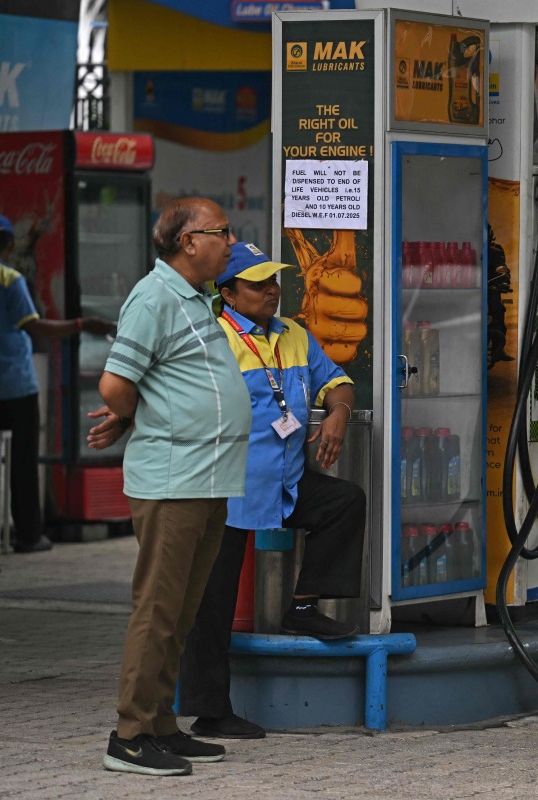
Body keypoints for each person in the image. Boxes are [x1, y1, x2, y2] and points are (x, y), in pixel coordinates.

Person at [175, 241, 365, 740]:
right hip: (227, 487)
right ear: (229, 293)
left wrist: (338, 415)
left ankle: (302, 607)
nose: (271, 291)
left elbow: (338, 383)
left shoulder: (295, 335)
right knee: (212, 602)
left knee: (344, 502)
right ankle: (209, 709)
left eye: (274, 281)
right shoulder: (210, 338)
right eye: (258, 284)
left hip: (284, 481)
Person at [88, 197, 252, 777]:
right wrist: (141, 415)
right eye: (221, 232)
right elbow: (115, 384)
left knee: (182, 610)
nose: (230, 242)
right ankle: (129, 737)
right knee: (157, 608)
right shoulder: (155, 296)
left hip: (207, 478)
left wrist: (144, 409)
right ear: (188, 241)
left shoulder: (197, 300)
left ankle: (161, 725)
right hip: (173, 478)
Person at [0, 215, 114, 553]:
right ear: (8, 246)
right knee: (21, 462)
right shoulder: (10, 278)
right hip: (16, 386)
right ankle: (29, 535)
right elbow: (33, 326)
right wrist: (81, 324)